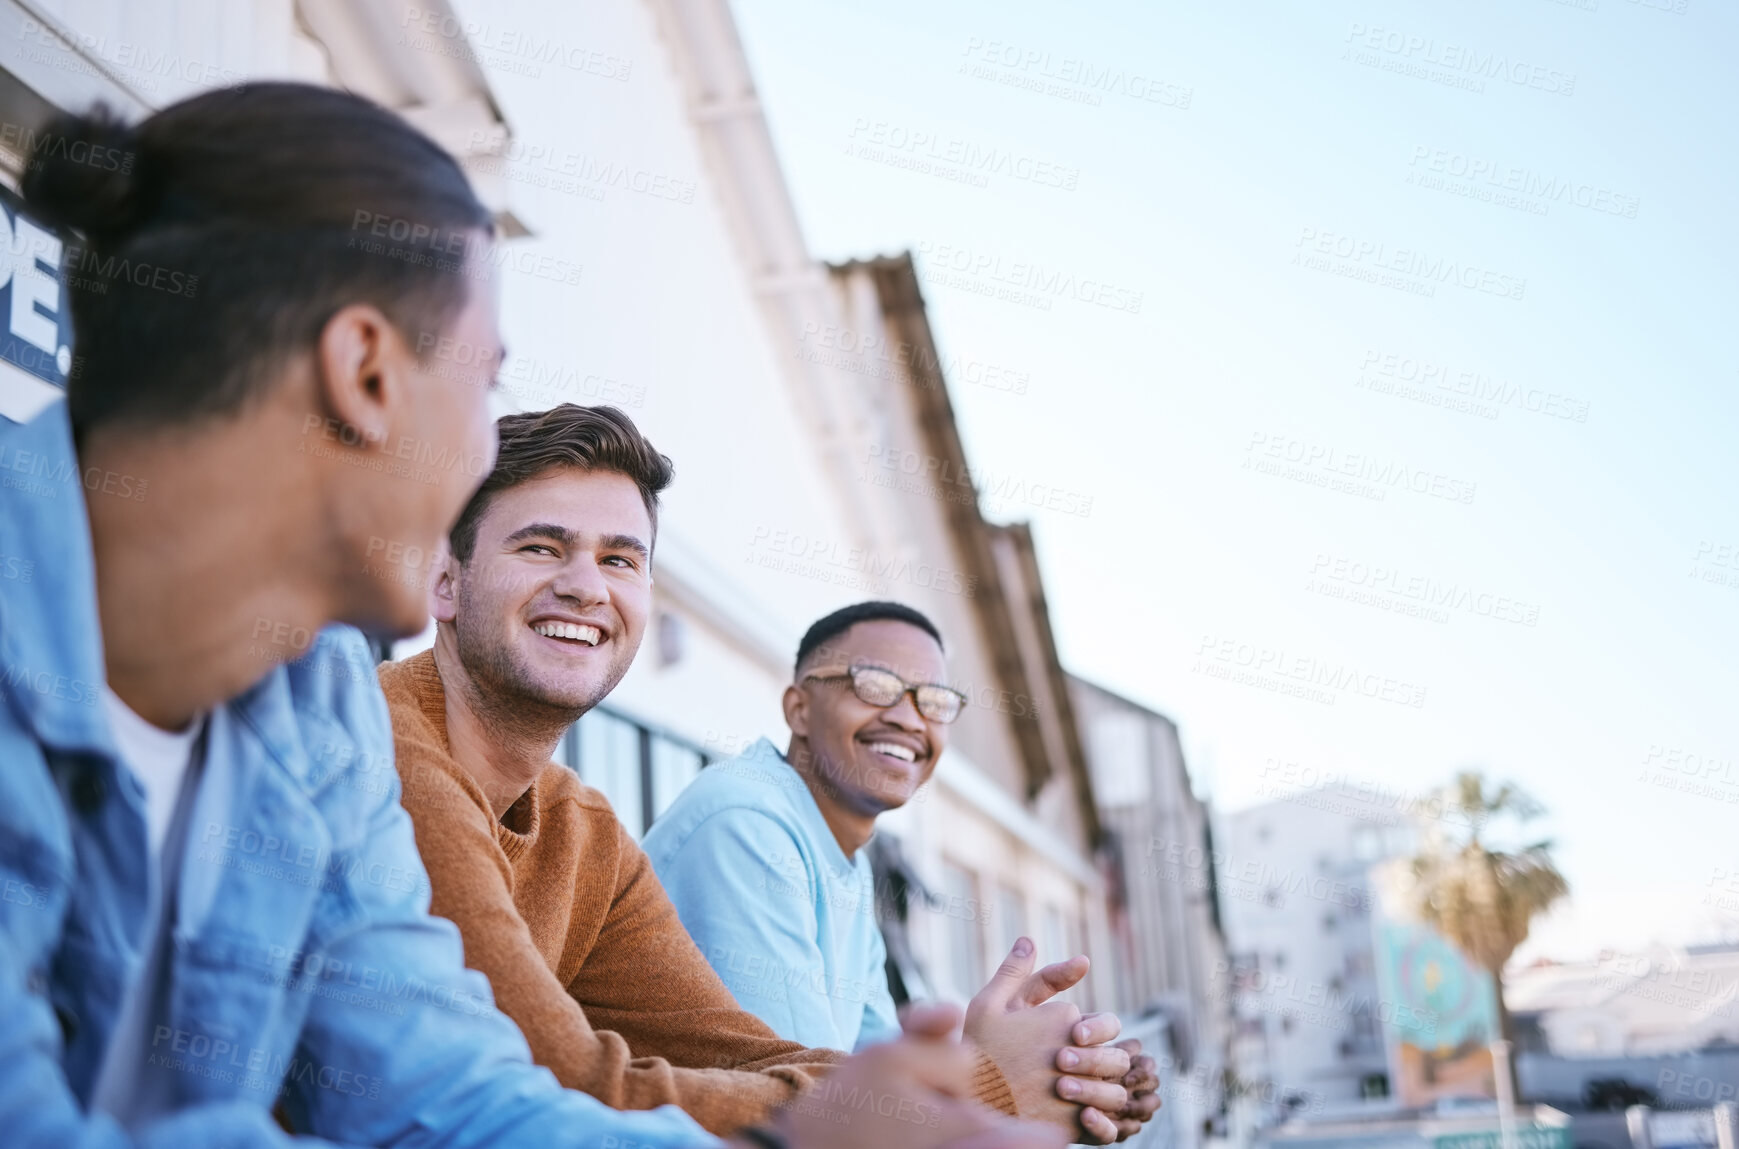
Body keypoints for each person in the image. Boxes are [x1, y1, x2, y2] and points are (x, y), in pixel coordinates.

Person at [0, 81, 1060, 1149]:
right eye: (483, 383)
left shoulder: (315, 716)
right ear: (366, 375)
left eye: (619, 559)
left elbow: (447, 1096)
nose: (477, 459)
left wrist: (828, 1135)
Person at [377, 403, 1144, 1141]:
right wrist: (983, 1087)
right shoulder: (390, 755)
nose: (587, 585)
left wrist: (1044, 1075)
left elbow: (745, 1054)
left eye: (620, 558)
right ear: (446, 581)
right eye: (541, 546)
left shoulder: (585, 829)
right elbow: (562, 1080)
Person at [643, 601, 1165, 1140]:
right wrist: (1000, 1076)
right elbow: (811, 1105)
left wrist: (1066, 1082)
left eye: (933, 701)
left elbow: (872, 1081)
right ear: (799, 708)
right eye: (874, 685)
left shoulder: (845, 861)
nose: (910, 718)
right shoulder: (747, 823)